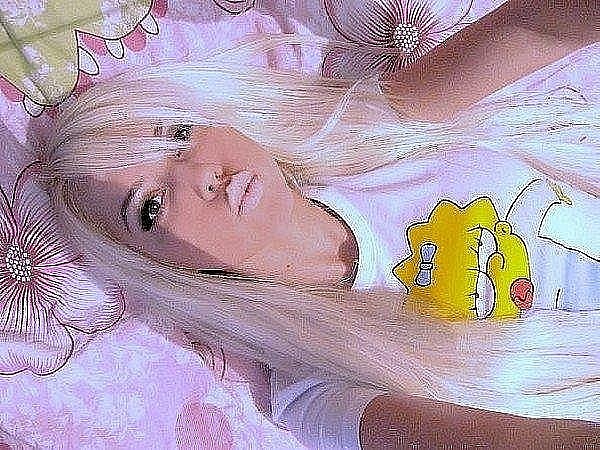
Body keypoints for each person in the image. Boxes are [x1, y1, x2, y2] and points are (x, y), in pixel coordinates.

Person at [36, 0, 599, 448]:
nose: (198, 175)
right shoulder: (314, 385)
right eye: (151, 207)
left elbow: (538, 26)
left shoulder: (382, 128)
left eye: (178, 135)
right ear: (161, 268)